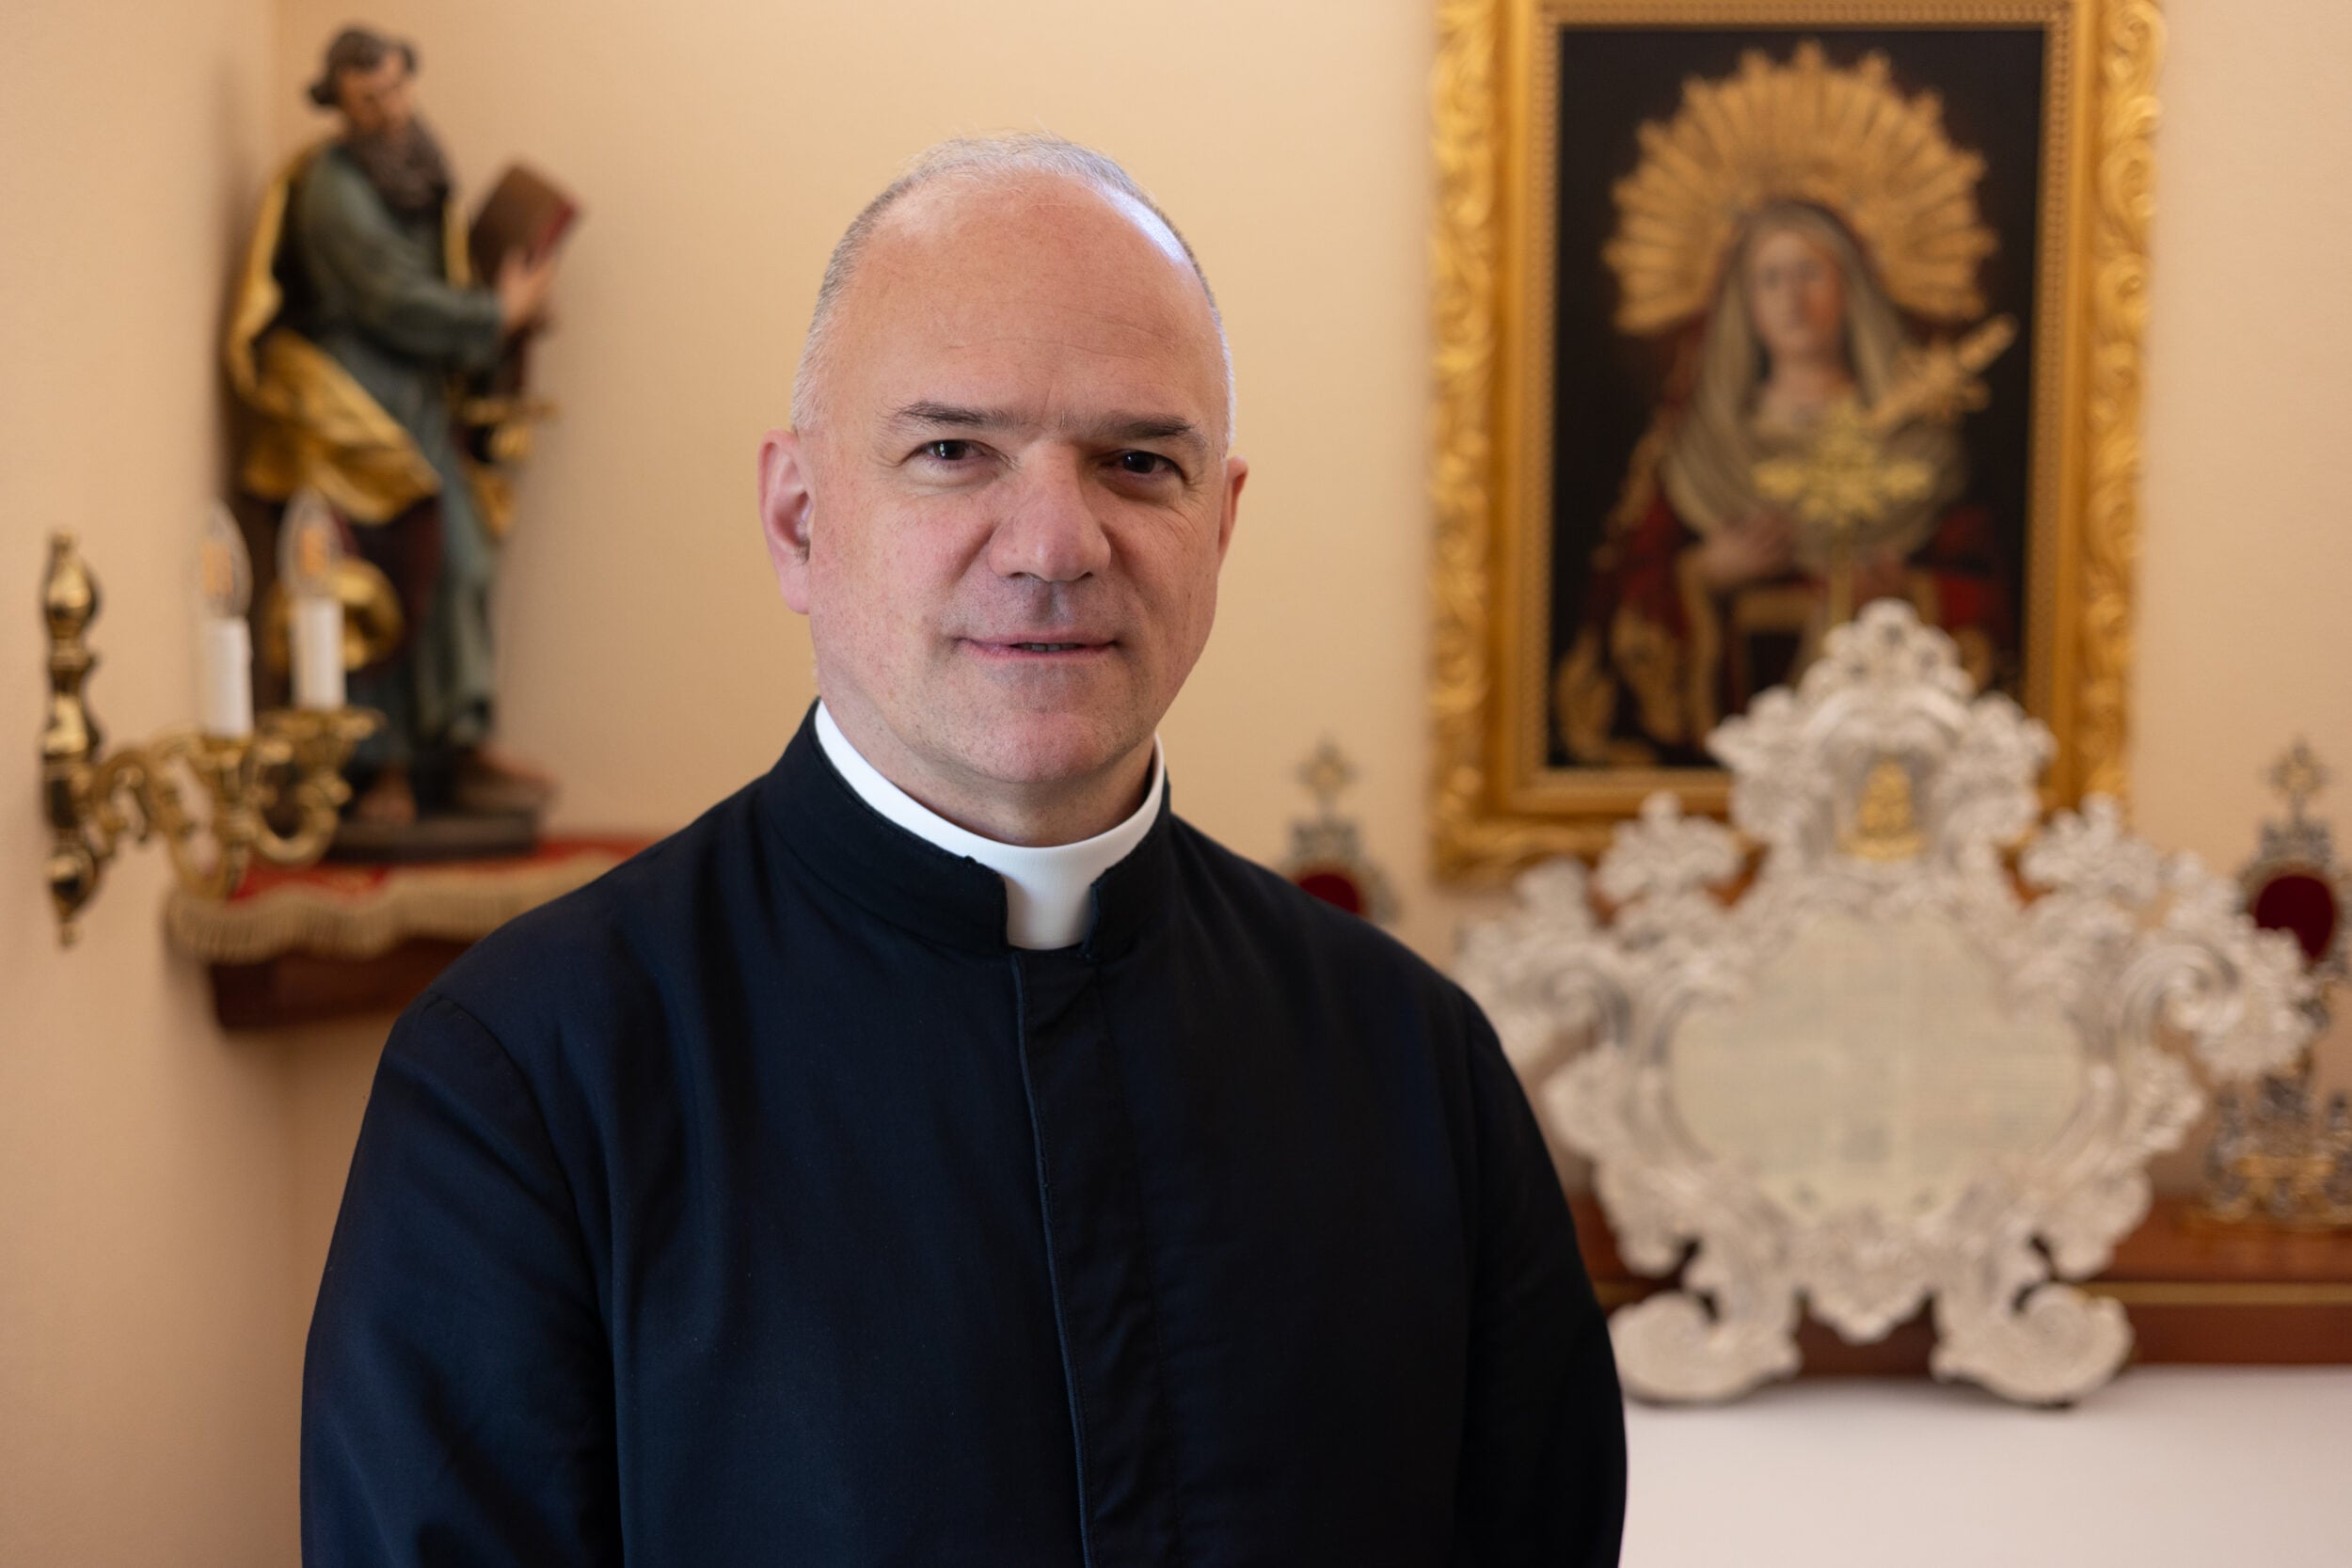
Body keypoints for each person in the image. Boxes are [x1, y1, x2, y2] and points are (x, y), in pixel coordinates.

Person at [302, 135, 1627, 1565]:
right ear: (799, 519)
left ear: (1219, 526)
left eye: (1138, 462)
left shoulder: (1416, 1063)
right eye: (952, 452)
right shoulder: (525, 1080)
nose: (1056, 543)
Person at [228, 25, 558, 825]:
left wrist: (502, 310)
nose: (388, 108)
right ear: (339, 105)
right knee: (377, 572)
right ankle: (382, 767)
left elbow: (441, 266)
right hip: (350, 406)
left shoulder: (417, 159)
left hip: (417, 402)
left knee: (461, 561)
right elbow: (389, 297)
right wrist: (494, 315)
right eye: (368, 99)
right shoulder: (329, 187)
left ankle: (459, 742)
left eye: (395, 88)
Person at [1558, 201, 2008, 767]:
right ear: (1743, 301)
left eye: (1810, 273)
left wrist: (1905, 595)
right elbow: (1624, 592)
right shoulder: (1703, 445)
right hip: (1723, 747)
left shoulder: (1915, 441)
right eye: (1769, 279)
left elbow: (1985, 593)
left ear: (1851, 287)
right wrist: (1702, 575)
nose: (1791, 298)